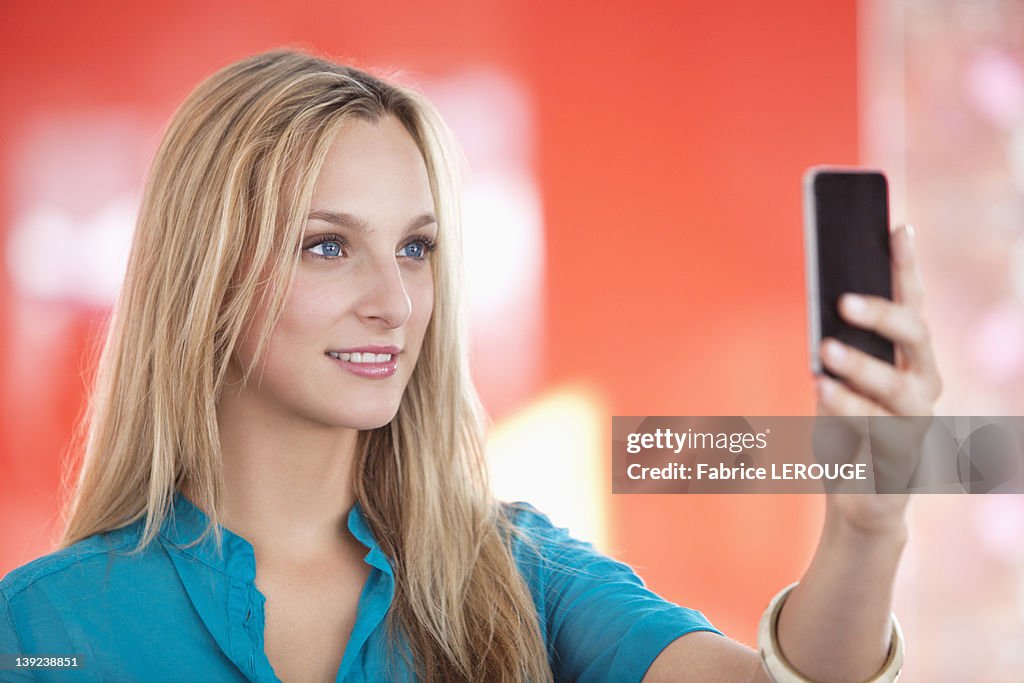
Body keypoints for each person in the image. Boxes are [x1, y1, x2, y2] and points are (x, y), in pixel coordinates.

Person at [0, 49, 942, 683]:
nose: (396, 301)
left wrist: (868, 527)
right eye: (328, 246)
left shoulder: (518, 573)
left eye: (416, 248)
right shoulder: (44, 630)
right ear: (204, 272)